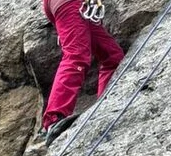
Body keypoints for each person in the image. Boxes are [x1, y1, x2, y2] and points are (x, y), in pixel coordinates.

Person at [40, 0, 124, 144]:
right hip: (69, 3)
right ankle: (54, 118)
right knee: (76, 56)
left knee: (112, 57)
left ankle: (105, 105)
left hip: (66, 4)